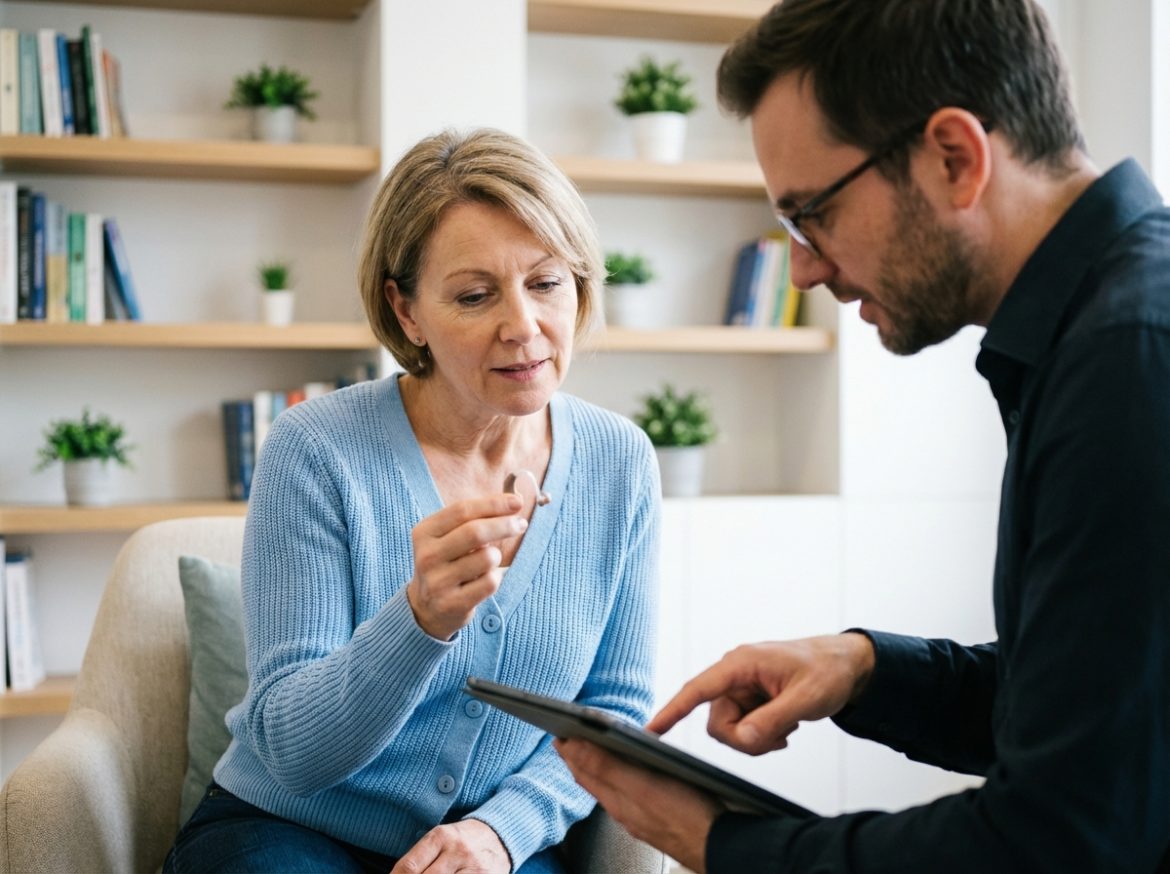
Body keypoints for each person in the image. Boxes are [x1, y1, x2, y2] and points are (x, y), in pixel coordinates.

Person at [556, 0, 1170, 871]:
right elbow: (1095, 713)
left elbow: (1060, 838)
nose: (804, 268)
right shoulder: (1104, 334)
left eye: (813, 214)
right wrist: (866, 668)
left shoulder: (1129, 356)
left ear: (954, 158)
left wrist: (716, 843)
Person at [164, 128, 661, 874]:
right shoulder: (314, 448)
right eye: (474, 295)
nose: (523, 327)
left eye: (546, 283)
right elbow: (293, 753)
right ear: (407, 312)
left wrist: (502, 832)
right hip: (290, 831)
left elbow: (612, 712)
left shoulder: (621, 461)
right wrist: (419, 620)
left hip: (486, 845)